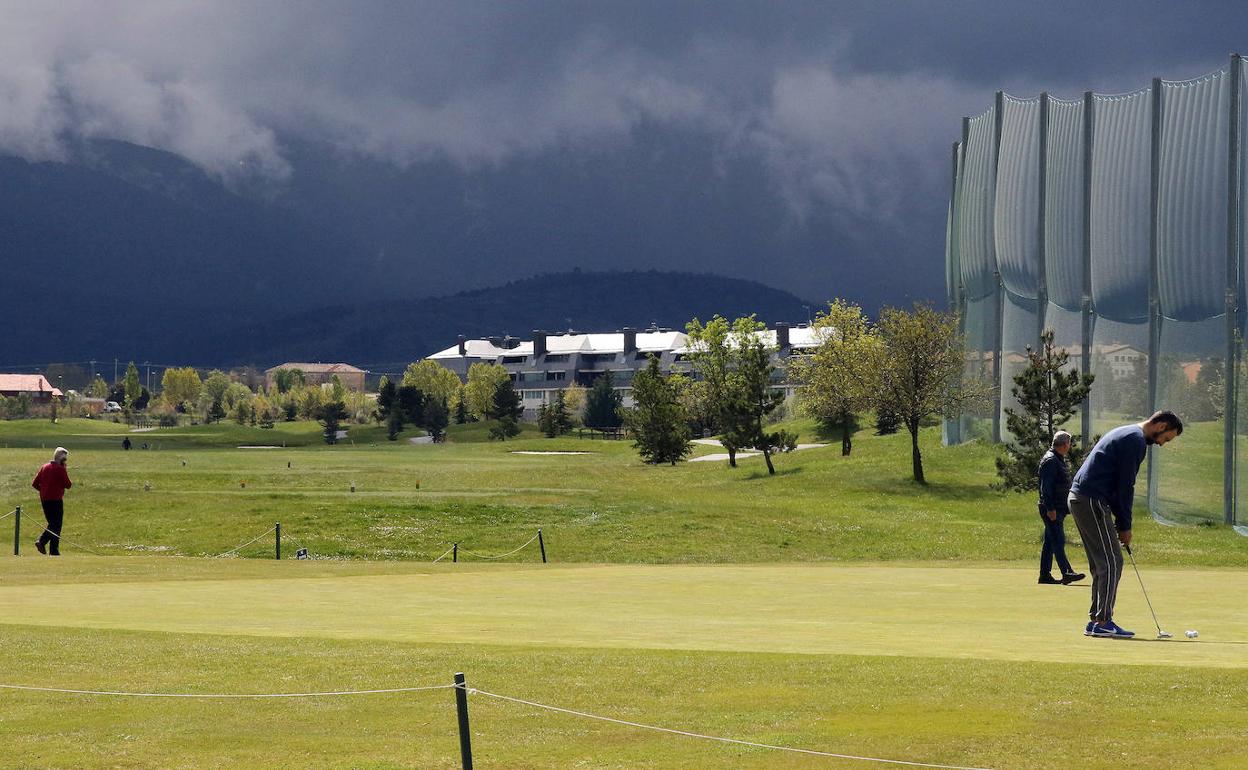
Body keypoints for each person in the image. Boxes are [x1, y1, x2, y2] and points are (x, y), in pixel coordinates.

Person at [1068, 410, 1183, 638]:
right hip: (1091, 499)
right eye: (1166, 438)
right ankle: (1102, 621)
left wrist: (1119, 522)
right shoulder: (1135, 440)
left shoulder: (1126, 432)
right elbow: (1124, 487)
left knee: (1102, 563)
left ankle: (1096, 620)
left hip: (1080, 498)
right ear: (1160, 426)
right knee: (1113, 562)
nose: (1162, 444)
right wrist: (1125, 526)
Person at [1037, 430, 1085, 586]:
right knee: (1058, 540)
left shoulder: (1056, 459)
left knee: (1050, 541)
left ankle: (1045, 575)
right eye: (1069, 444)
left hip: (1057, 508)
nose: (1070, 446)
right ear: (1065, 444)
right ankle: (1067, 572)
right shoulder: (1051, 461)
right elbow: (1046, 488)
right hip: (1052, 509)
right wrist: (1050, 508)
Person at [31, 447, 73, 556]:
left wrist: (44, 491)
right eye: (65, 459)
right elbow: (68, 485)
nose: (66, 461)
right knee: (56, 524)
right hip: (56, 500)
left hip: (45, 500)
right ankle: (42, 542)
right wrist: (64, 469)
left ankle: (54, 550)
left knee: (53, 524)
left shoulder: (44, 467)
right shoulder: (60, 469)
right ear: (61, 458)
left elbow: (35, 484)